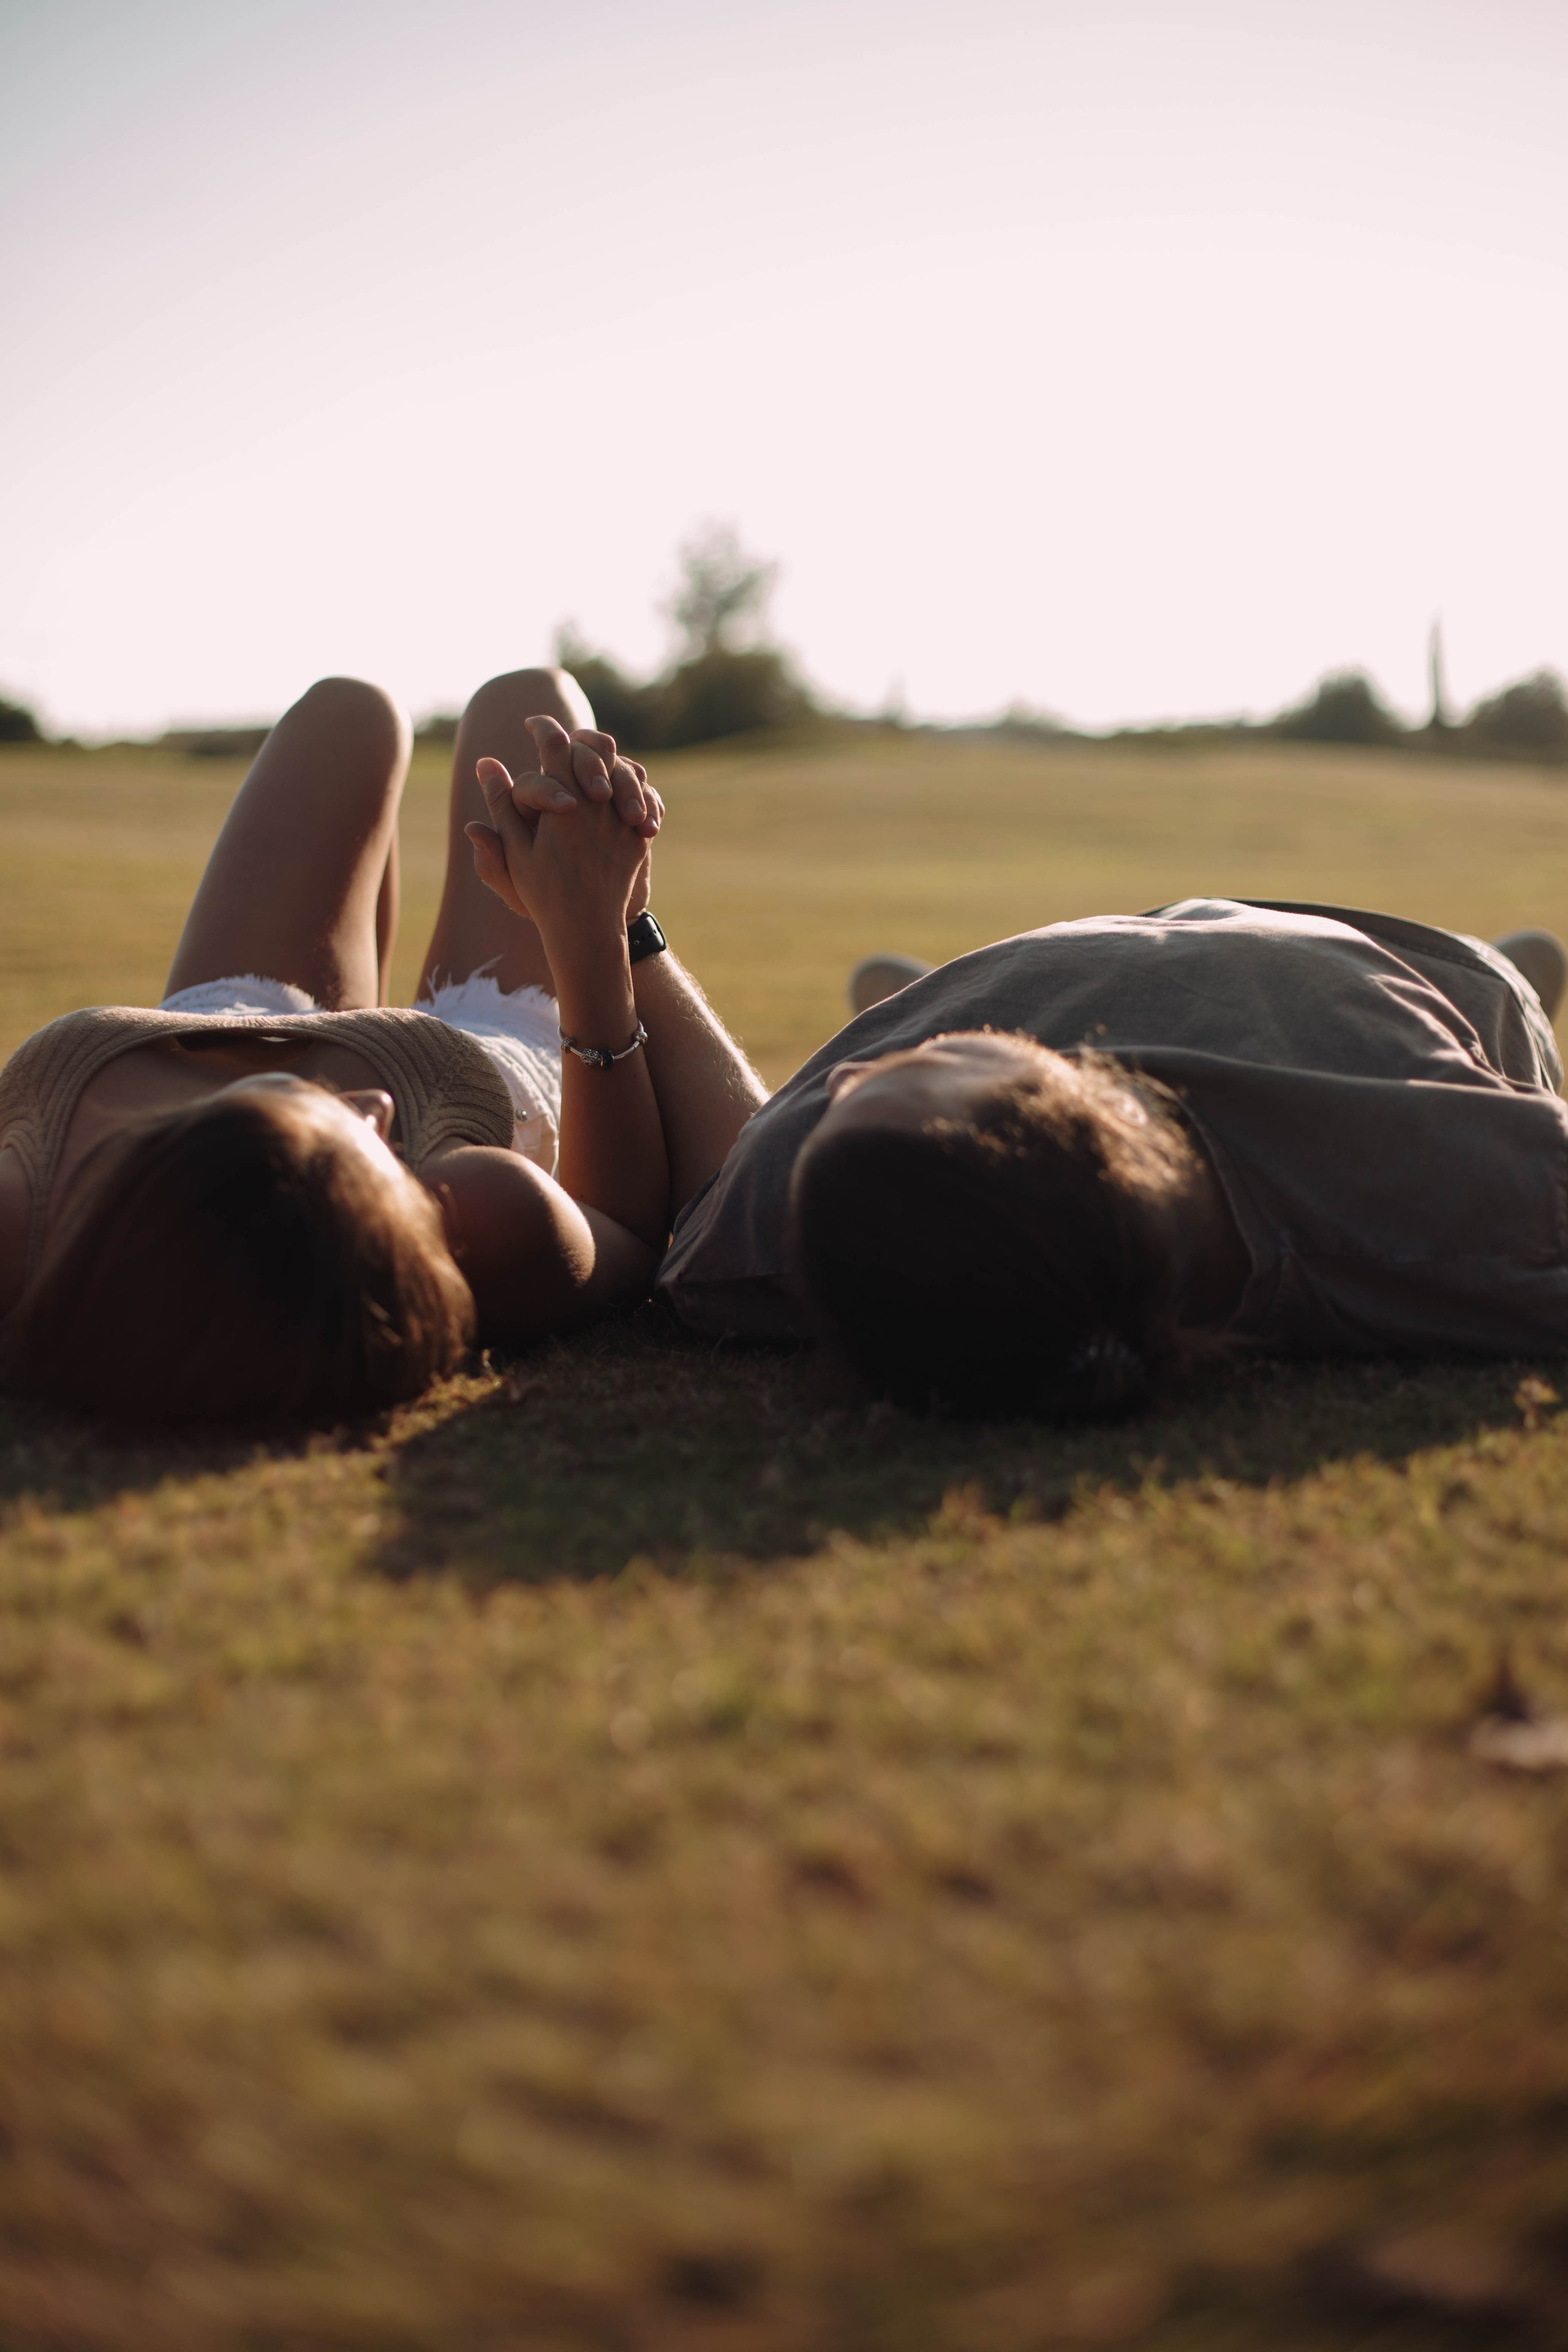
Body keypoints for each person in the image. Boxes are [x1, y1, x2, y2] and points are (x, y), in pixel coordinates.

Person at [0, 668, 764, 1427]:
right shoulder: (472, 1206)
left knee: (348, 710)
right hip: (478, 1053)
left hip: (216, 1008)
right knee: (532, 706)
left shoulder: (24, 1219)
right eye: (386, 1156)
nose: (376, 1107)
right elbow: (622, 1227)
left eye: (344, 1130)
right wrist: (601, 931)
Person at [654, 898, 1568, 1414]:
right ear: (1078, 1105)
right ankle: (1519, 980)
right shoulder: (1450, 1183)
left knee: (924, 1022)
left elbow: (691, 1223)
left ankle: (921, 991)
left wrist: (624, 932)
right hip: (1415, 978)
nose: (845, 1072)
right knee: (1504, 991)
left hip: (1082, 969)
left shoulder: (802, 1217)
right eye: (931, 1065)